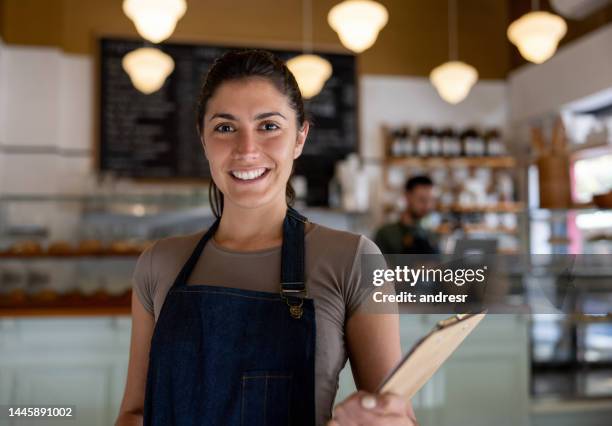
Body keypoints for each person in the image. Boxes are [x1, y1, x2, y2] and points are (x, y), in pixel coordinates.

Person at [115, 50, 417, 426]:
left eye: (269, 126)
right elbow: (134, 415)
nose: (246, 150)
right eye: (225, 128)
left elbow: (396, 417)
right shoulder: (158, 264)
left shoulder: (354, 260)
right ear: (203, 140)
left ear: (300, 138)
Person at [374, 175, 440, 254]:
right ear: (407, 197)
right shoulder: (386, 234)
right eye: (422, 200)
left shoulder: (432, 233)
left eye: (431, 200)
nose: (427, 205)